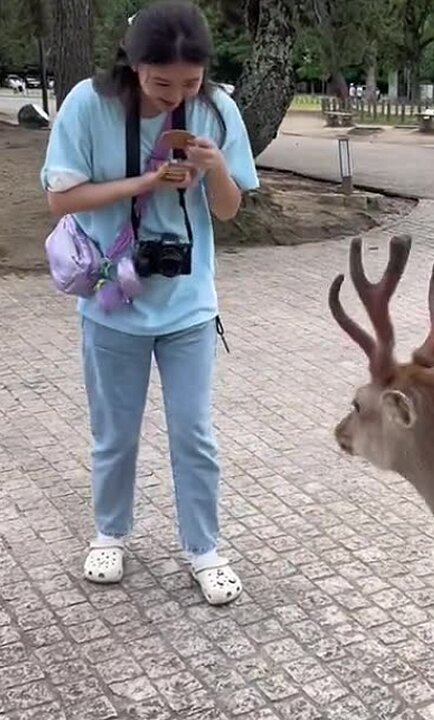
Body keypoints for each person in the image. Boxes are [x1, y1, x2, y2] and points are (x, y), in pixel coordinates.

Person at [40, 0, 259, 604]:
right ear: (133, 67)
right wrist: (145, 182)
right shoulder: (90, 103)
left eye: (188, 83)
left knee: (194, 434)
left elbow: (229, 209)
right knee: (115, 432)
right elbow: (61, 200)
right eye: (161, 82)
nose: (173, 95)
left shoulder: (217, 109)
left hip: (188, 304)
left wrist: (213, 167)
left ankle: (205, 549)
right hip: (113, 297)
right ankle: (109, 532)